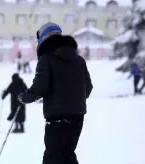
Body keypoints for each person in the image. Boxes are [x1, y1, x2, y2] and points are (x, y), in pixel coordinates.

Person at [17, 22, 93, 164]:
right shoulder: (79, 60)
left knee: (53, 157)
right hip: (78, 117)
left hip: (57, 118)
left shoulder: (46, 59)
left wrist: (24, 97)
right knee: (68, 154)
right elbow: (88, 88)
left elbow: (40, 87)